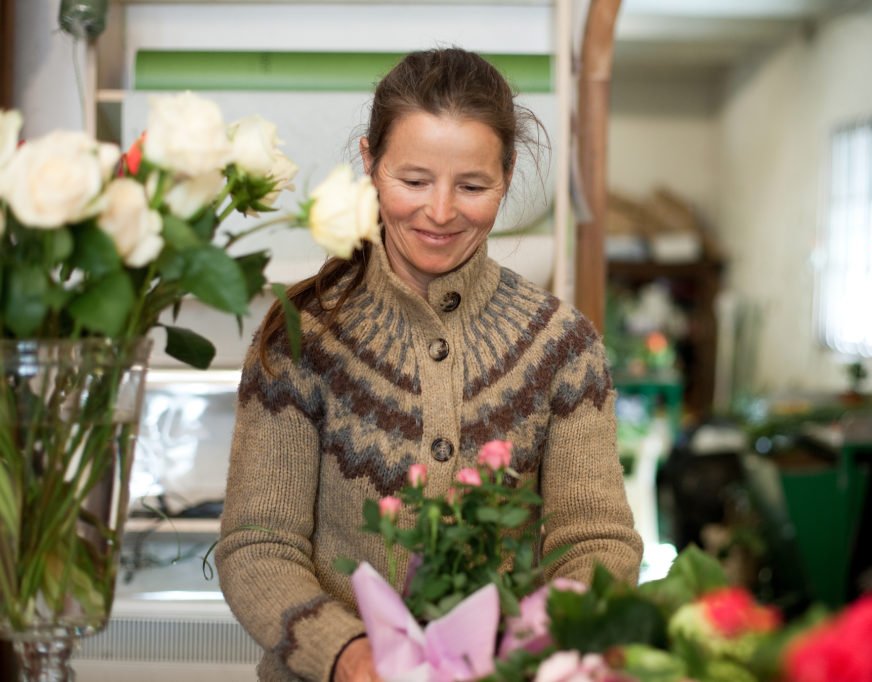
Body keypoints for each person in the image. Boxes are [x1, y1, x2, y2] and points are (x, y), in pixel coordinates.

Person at [215, 47, 643, 682]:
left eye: (471, 186)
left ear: (508, 174)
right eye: (413, 181)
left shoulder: (563, 346)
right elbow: (258, 545)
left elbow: (595, 538)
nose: (440, 212)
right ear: (370, 161)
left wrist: (536, 641)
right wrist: (353, 657)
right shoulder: (303, 337)